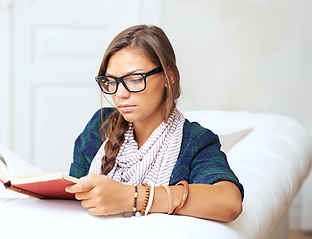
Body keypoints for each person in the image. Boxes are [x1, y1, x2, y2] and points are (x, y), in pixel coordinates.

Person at [66, 24, 243, 222]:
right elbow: (72, 194)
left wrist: (131, 197)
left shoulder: (194, 140)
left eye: (135, 79)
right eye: (111, 81)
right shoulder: (100, 125)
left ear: (169, 77)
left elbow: (229, 202)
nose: (120, 94)